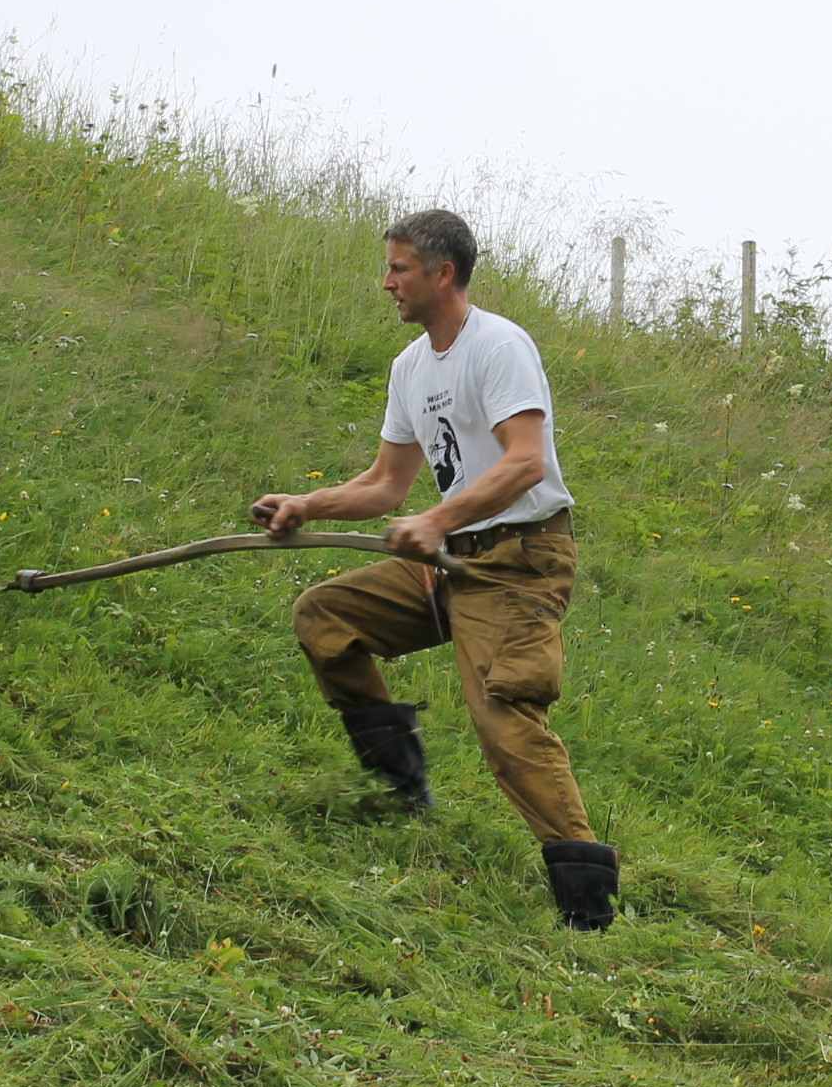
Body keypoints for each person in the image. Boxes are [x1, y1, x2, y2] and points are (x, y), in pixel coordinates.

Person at [249, 209, 619, 930]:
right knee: (327, 617)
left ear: (442, 274)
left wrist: (438, 520)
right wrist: (307, 503)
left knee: (505, 722)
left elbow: (524, 463)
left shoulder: (498, 347)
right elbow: (388, 483)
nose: (385, 282)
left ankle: (588, 909)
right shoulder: (412, 367)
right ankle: (402, 787)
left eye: (398, 269)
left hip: (519, 562)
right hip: (450, 560)